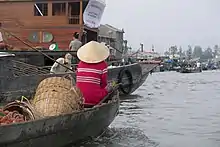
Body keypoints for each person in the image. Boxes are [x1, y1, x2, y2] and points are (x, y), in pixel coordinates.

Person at [76, 41, 113, 105]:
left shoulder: (80, 64)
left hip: (79, 97)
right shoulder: (102, 65)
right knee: (109, 88)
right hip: (96, 98)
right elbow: (103, 83)